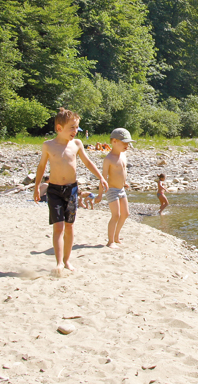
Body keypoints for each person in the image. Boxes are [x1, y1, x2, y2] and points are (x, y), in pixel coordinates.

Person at [33, 108, 108, 276]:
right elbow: (41, 167)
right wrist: (37, 186)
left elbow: (88, 162)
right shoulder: (48, 145)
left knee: (69, 226)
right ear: (59, 128)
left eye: (77, 128)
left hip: (71, 189)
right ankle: (59, 262)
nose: (75, 131)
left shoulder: (77, 144)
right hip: (54, 190)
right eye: (72, 128)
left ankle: (67, 260)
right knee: (58, 226)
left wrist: (101, 177)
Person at [102, 128, 134, 248]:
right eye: (124, 143)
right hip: (111, 190)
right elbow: (103, 177)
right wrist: (100, 194)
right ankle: (110, 241)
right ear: (114, 141)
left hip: (121, 189)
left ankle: (116, 236)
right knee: (116, 215)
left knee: (125, 214)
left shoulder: (123, 155)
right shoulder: (109, 159)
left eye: (128, 143)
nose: (127, 145)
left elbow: (123, 170)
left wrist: (124, 182)